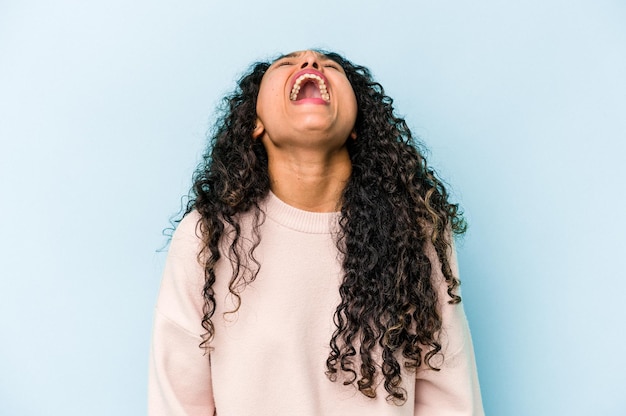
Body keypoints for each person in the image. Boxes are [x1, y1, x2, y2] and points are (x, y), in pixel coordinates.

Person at [148, 49, 484, 415]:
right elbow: (178, 402)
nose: (310, 62)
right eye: (286, 65)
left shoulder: (414, 230)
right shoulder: (209, 234)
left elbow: (448, 395)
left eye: (331, 66)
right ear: (254, 123)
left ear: (357, 124)